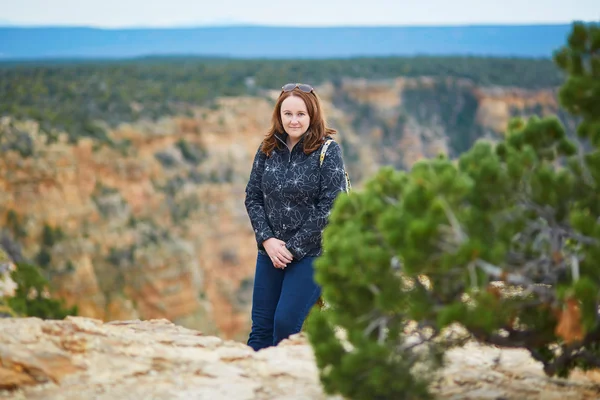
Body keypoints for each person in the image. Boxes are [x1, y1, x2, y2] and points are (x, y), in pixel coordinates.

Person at [244, 82, 348, 351]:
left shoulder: (328, 151)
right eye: (287, 113)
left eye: (300, 114)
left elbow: (331, 205)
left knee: (286, 324)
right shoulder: (267, 149)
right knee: (260, 330)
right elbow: (252, 197)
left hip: (312, 253)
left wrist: (292, 248)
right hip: (270, 251)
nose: (293, 120)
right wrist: (267, 240)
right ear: (279, 115)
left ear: (312, 114)